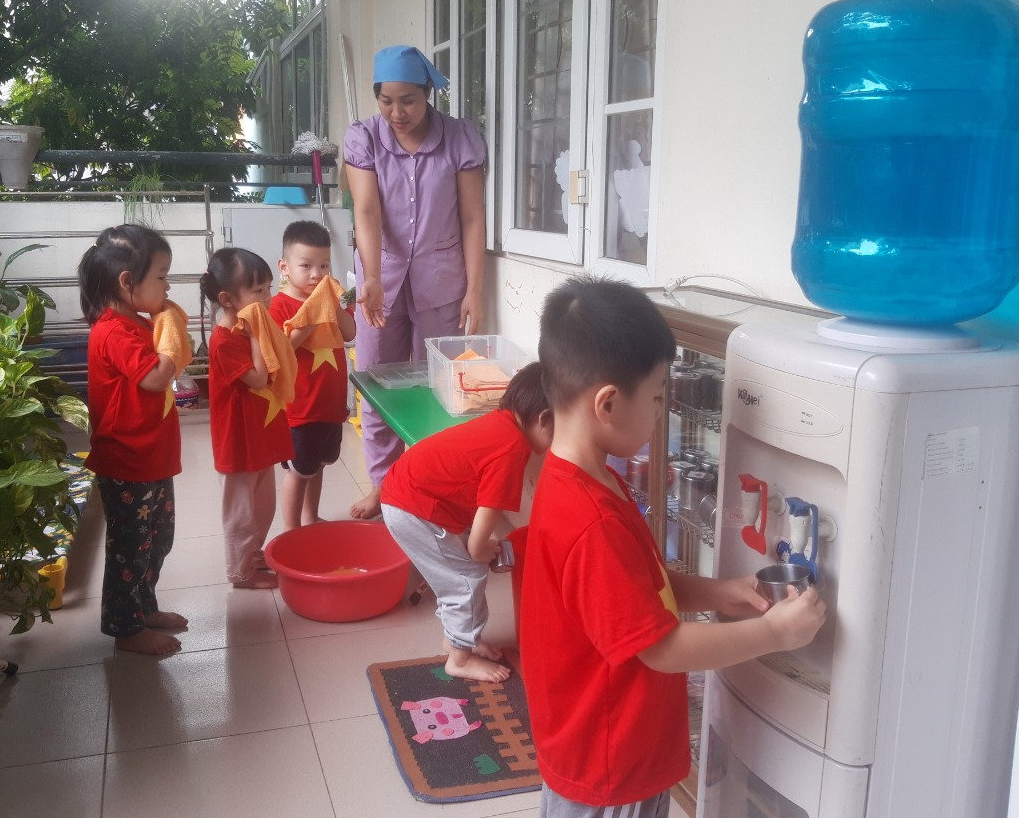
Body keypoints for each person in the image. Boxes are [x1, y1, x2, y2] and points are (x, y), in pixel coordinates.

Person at [520, 277, 827, 817]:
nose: (662, 410)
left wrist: (718, 591)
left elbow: (638, 587)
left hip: (600, 750)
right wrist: (774, 634)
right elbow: (660, 648)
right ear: (608, 403)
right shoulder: (591, 521)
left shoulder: (587, 480)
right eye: (658, 397)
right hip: (611, 769)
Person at [342, 44, 488, 520]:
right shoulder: (364, 137)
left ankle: (431, 483)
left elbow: (472, 218)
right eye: (386, 100)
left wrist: (475, 290)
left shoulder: (459, 139)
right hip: (379, 280)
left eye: (408, 100)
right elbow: (366, 210)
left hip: (442, 279)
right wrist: (372, 276)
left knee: (442, 386)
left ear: (428, 94)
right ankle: (382, 485)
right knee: (377, 381)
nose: (396, 113)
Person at [381, 362, 552, 683]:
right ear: (544, 419)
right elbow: (488, 511)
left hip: (411, 495)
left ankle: (459, 638)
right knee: (465, 580)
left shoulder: (500, 423)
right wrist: (479, 549)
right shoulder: (514, 449)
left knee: (457, 575)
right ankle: (459, 659)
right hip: (415, 508)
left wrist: (480, 543)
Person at [79, 224, 193, 657]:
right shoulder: (114, 332)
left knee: (157, 540)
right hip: (127, 463)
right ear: (127, 281)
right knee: (130, 550)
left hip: (152, 457)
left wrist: (168, 328)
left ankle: (144, 608)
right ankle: (125, 630)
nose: (168, 286)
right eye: (162, 276)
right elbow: (156, 377)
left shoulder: (138, 323)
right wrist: (173, 332)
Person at [202, 247, 294, 590]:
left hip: (257, 436)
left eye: (269, 288)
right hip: (237, 443)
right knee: (241, 513)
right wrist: (257, 336)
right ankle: (240, 573)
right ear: (227, 300)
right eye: (258, 291)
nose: (267, 298)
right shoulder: (225, 340)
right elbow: (257, 378)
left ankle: (252, 555)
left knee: (263, 505)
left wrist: (257, 333)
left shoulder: (247, 328)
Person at [269, 220, 358, 530]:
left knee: (318, 465)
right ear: (284, 267)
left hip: (329, 406)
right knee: (298, 471)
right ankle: (291, 530)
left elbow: (350, 333)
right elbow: (282, 350)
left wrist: (333, 307)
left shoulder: (329, 301)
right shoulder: (278, 307)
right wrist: (310, 315)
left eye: (324, 265)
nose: (316, 274)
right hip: (299, 410)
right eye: (305, 265)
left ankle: (310, 518)